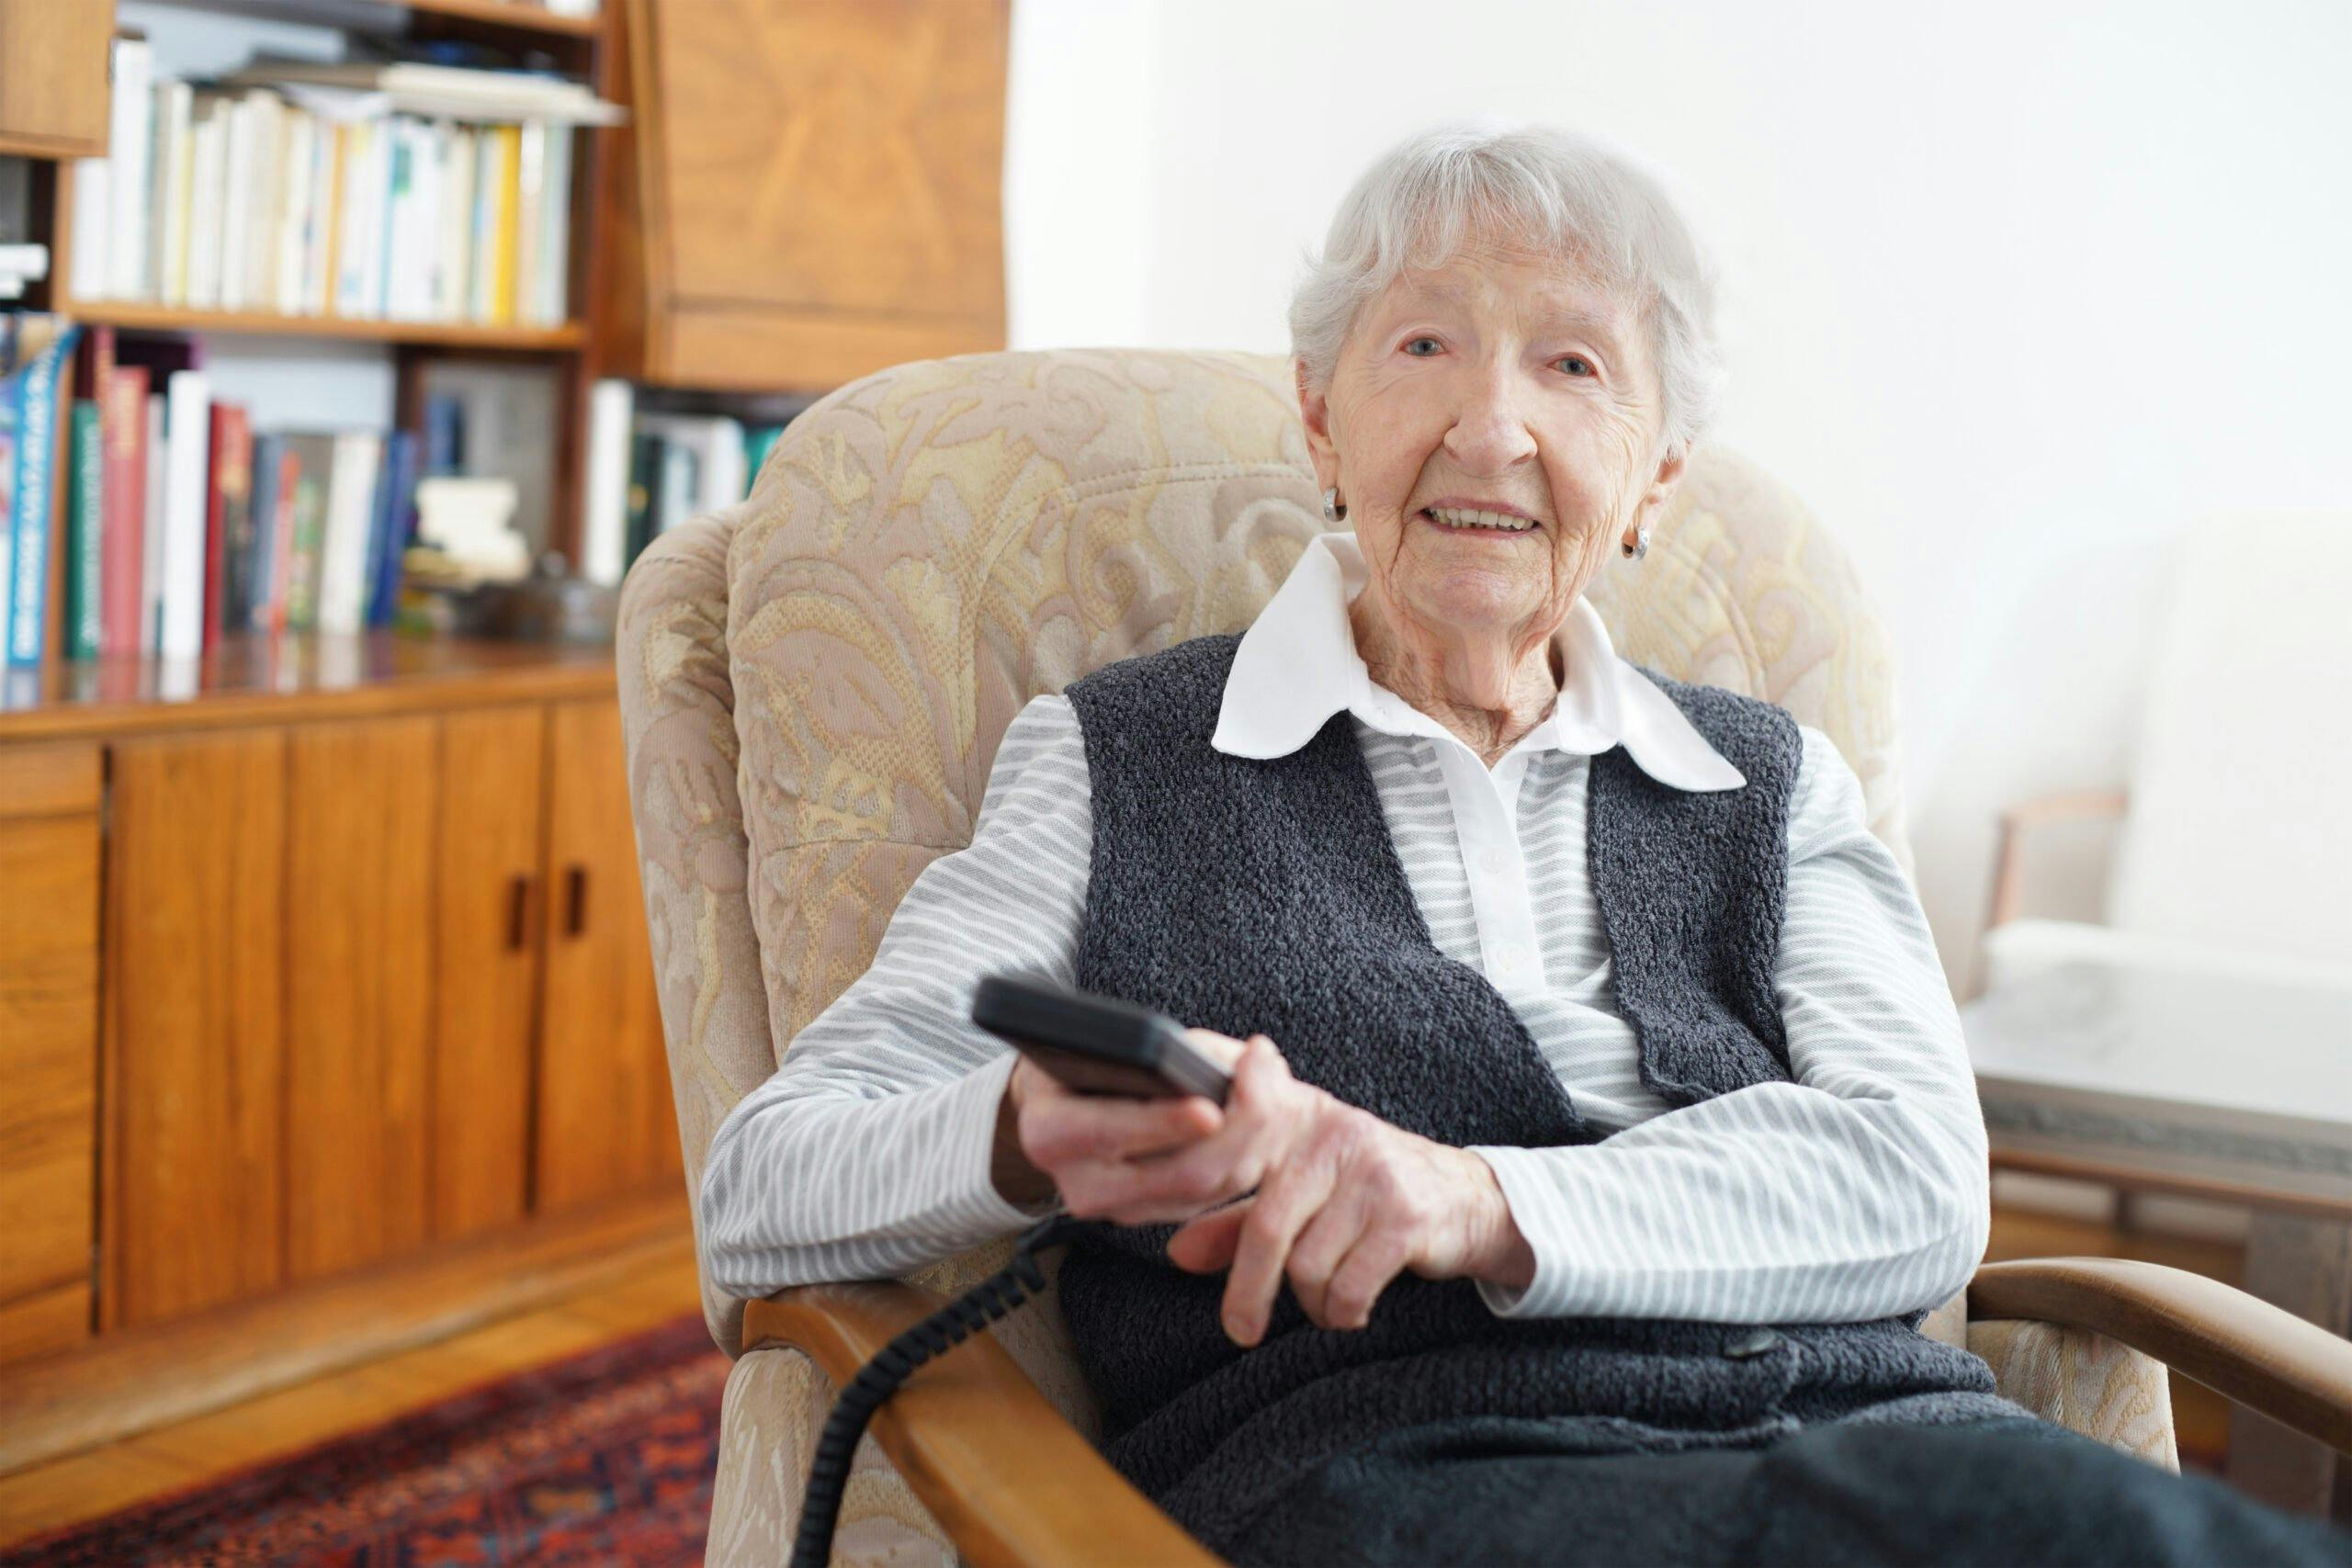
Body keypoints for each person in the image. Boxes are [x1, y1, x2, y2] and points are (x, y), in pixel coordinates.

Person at [698, 120, 2352, 1566]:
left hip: (1888, 1440)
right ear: (1321, 422)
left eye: (1573, 367)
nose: (1490, 429)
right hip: (1391, 1474)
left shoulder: (1768, 784)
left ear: (1651, 479)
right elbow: (762, 1186)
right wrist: (1019, 1132)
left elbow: (1922, 1178)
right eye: (1423, 345)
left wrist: (1477, 1198)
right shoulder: (1122, 761)